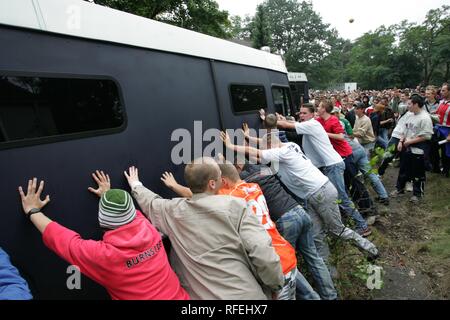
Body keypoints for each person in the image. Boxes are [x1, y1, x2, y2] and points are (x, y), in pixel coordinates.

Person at [125, 160, 284, 300]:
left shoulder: (172, 211)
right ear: (212, 184)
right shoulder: (236, 206)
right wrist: (275, 285)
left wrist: (135, 184)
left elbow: (151, 204)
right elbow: (262, 250)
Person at [17, 172, 189, 300]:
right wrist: (109, 195)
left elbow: (63, 239)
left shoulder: (103, 256)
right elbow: (130, 214)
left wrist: (33, 211)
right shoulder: (148, 228)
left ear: (102, 222)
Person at [220, 130, 379, 266]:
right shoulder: (291, 146)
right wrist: (249, 137)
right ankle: (330, 271)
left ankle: (370, 249)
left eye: (266, 150)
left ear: (271, 147)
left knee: (336, 229)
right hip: (314, 194)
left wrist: (230, 146)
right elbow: (267, 143)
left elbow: (258, 151)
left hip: (320, 192)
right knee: (317, 235)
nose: (266, 157)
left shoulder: (282, 152)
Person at [217, 162, 318, 300]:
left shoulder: (231, 196)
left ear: (223, 181)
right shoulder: (254, 186)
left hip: (272, 261)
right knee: (311, 261)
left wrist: (175, 185)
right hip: (284, 249)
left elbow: (203, 195)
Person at [276, 105, 372, 236]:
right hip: (330, 165)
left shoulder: (311, 124)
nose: (301, 115)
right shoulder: (309, 123)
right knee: (337, 196)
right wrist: (283, 119)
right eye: (300, 113)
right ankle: (343, 224)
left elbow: (288, 126)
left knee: (342, 197)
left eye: (304, 113)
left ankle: (362, 226)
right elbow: (293, 123)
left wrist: (269, 120)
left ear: (312, 114)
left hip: (333, 165)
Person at [390, 95, 434, 203]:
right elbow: (404, 129)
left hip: (419, 148)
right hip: (406, 147)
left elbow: (427, 136)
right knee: (403, 169)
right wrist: (401, 141)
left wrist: (411, 141)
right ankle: (399, 189)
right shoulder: (409, 115)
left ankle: (417, 194)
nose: (407, 106)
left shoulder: (425, 118)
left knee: (418, 172)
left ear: (416, 104)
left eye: (409, 104)